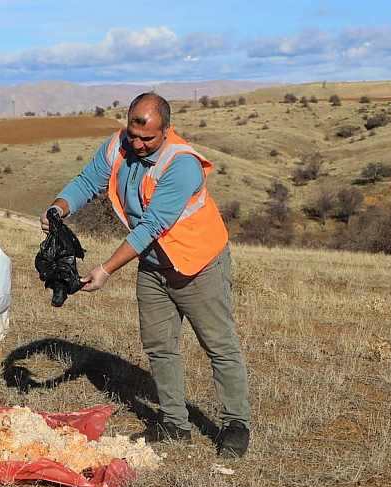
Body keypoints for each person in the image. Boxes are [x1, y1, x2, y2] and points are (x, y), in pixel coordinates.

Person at [39, 93, 251, 458]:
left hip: (198, 266)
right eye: (132, 135)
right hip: (154, 266)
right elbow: (88, 181)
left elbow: (152, 226)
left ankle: (235, 424)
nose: (136, 144)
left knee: (219, 346)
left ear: (166, 130)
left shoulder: (182, 165)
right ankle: (174, 424)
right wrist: (59, 208)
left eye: (146, 138)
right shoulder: (119, 144)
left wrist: (105, 269)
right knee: (159, 345)